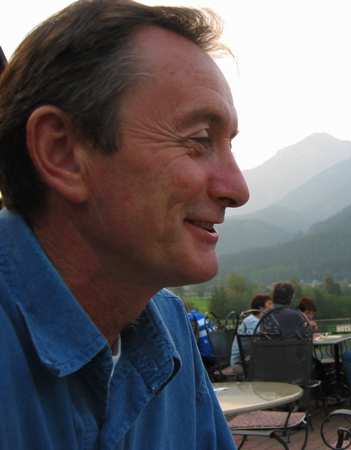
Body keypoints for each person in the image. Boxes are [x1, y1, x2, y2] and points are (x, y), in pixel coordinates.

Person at [0, 2, 249, 449]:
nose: (238, 189)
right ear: (62, 153)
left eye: (229, 145)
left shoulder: (170, 325)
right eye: (199, 140)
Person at [229, 294, 273, 369]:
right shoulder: (252, 321)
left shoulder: (259, 320)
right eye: (269, 304)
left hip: (248, 360)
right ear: (261, 308)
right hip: (240, 364)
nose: (272, 307)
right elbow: (258, 344)